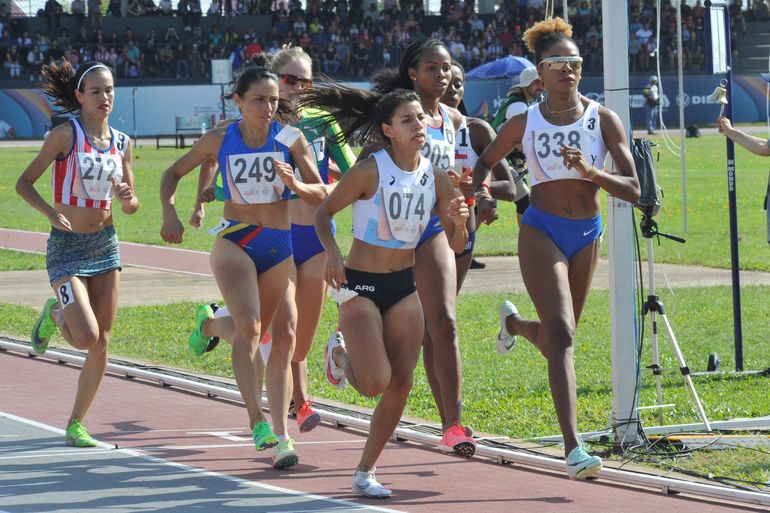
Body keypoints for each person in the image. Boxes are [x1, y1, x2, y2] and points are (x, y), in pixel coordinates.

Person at [472, 18, 640, 479]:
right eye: (557, 65)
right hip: (540, 229)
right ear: (539, 74)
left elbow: (635, 188)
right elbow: (485, 162)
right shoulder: (525, 122)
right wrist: (482, 196)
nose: (568, 71)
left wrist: (592, 173)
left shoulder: (603, 118)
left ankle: (513, 324)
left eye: (575, 64)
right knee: (562, 334)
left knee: (556, 339)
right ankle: (573, 448)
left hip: (588, 232)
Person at [300, 86, 469, 497]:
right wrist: (333, 254)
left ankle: (365, 471)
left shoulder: (436, 175)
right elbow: (324, 213)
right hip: (359, 286)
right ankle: (339, 354)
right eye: (407, 120)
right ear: (388, 129)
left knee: (401, 384)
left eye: (421, 118)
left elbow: (457, 244)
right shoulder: (369, 170)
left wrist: (460, 219)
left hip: (403, 287)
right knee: (375, 382)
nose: (418, 126)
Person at [159, 66, 325, 469]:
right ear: (238, 101)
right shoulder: (221, 137)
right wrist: (170, 212)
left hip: (278, 245)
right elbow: (171, 172)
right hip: (236, 239)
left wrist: (296, 185)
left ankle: (211, 325)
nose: (268, 107)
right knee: (251, 327)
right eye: (259, 100)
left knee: (280, 333)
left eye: (273, 100)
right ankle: (259, 424)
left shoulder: (290, 138)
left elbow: (320, 191)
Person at [190, 47, 356, 436]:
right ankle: (293, 408)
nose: (297, 88)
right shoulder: (250, 124)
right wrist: (208, 195)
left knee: (295, 340)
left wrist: (316, 180)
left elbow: (348, 174)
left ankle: (213, 326)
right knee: (267, 329)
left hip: (312, 235)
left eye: (305, 81)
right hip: (266, 235)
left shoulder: (319, 123)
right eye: (289, 80)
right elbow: (223, 171)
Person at [356, 38, 478, 458]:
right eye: (431, 69)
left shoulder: (454, 120)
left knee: (443, 324)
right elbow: (369, 166)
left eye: (446, 69)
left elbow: (460, 174)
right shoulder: (397, 118)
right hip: (392, 235)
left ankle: (453, 424)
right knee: (399, 339)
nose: (441, 76)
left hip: (433, 231)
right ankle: (349, 344)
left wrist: (471, 197)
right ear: (413, 73)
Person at [16, 61, 140, 447]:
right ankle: (54, 313)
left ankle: (75, 423)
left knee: (102, 340)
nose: (105, 98)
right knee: (85, 336)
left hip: (105, 244)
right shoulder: (63, 136)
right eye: (97, 92)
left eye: (110, 90)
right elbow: (24, 184)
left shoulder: (123, 143)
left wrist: (127, 198)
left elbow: (133, 204)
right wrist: (51, 212)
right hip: (66, 248)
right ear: (80, 97)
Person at [440, 60, 517, 303]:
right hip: (421, 227)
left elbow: (509, 189)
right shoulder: (415, 126)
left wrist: (477, 191)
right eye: (447, 84)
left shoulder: (478, 130)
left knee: (446, 308)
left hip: (462, 230)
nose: (452, 90)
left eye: (458, 84)